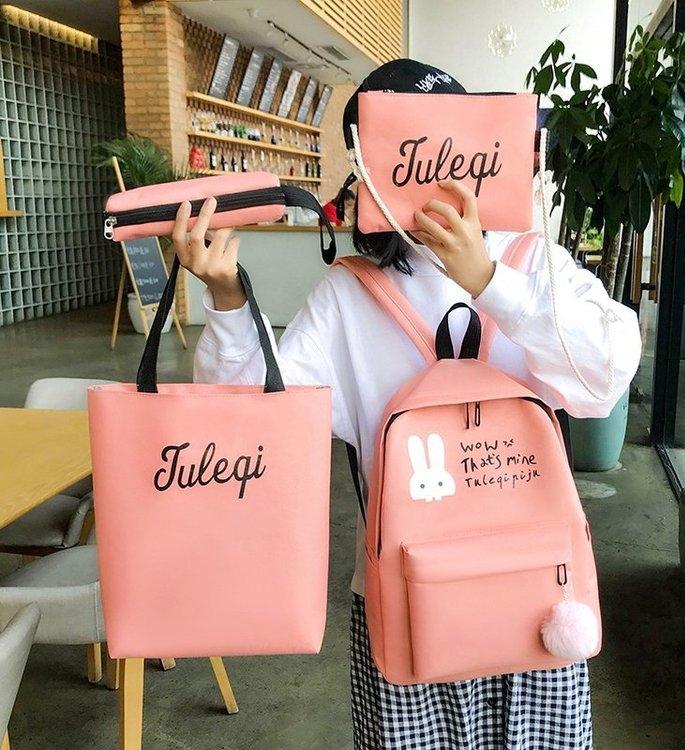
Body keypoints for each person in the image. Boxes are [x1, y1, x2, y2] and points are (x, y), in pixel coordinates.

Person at [175, 59, 641, 750]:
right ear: (367, 166)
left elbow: (606, 374)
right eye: (400, 148)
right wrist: (226, 299)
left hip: (537, 592)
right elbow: (255, 422)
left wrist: (491, 282)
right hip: (407, 593)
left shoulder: (532, 263)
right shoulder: (348, 293)